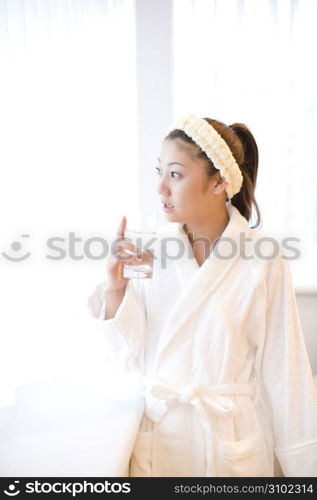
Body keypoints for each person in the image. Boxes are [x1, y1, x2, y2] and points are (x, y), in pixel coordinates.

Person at [87, 114, 317, 477]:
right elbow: (124, 359)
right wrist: (116, 288)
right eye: (158, 171)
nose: (160, 187)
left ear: (220, 182)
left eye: (175, 174)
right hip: (160, 447)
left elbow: (285, 373)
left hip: (230, 450)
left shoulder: (263, 258)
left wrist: (306, 469)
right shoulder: (150, 251)